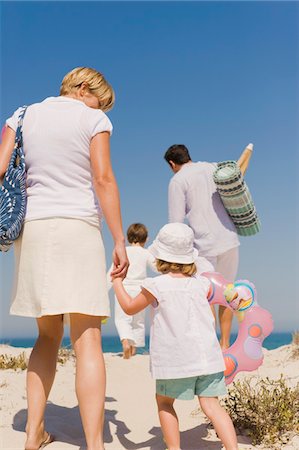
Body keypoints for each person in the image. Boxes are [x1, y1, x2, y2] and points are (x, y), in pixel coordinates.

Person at [0, 67, 129, 450]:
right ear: (85, 88)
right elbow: (103, 178)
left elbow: (2, 167)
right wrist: (119, 238)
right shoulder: (92, 119)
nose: (100, 107)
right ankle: (95, 443)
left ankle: (32, 433)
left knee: (46, 335)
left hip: (35, 229)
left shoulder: (21, 115)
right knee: (88, 337)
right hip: (78, 227)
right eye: (99, 99)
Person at [112, 223, 239, 450]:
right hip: (208, 360)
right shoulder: (201, 284)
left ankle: (174, 448)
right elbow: (224, 296)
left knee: (164, 402)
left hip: (176, 362)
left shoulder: (155, 285)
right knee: (212, 406)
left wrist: (117, 283)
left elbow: (130, 307)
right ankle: (233, 448)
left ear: (160, 257)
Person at [164, 144, 240, 349]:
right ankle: (225, 345)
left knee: (206, 297)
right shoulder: (211, 167)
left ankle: (212, 346)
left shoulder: (177, 180)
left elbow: (176, 222)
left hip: (205, 245)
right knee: (228, 293)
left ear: (172, 164)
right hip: (229, 237)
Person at [107, 223, 156, 359]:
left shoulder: (124, 252)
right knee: (138, 321)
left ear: (128, 238)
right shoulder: (146, 253)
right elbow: (157, 268)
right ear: (146, 239)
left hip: (124, 288)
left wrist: (105, 290)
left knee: (122, 319)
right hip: (141, 290)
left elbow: (112, 272)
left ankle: (125, 342)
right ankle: (134, 349)